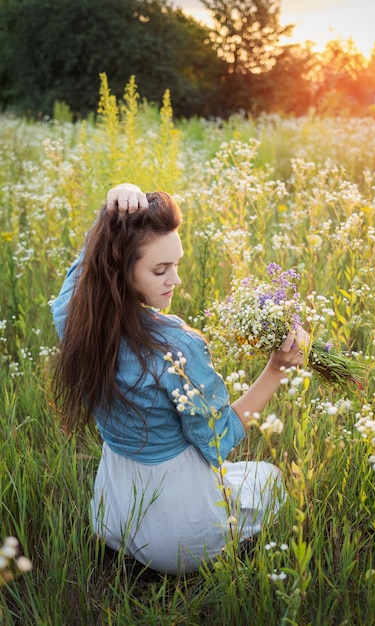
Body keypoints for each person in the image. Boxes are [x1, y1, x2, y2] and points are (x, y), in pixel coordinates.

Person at [51, 183, 308, 575]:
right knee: (270, 480)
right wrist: (276, 369)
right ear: (120, 268)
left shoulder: (72, 317)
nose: (176, 280)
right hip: (181, 537)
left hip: (112, 512)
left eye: (177, 264)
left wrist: (113, 206)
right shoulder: (174, 345)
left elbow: (88, 261)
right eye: (160, 269)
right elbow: (218, 441)